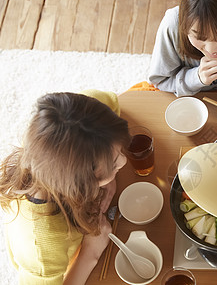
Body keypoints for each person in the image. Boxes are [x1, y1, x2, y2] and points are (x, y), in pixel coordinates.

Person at [0, 92, 130, 284]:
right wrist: (90, 253)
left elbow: (112, 103)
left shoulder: (78, 119)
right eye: (114, 163)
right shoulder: (40, 247)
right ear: (81, 182)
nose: (125, 161)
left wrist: (108, 177)